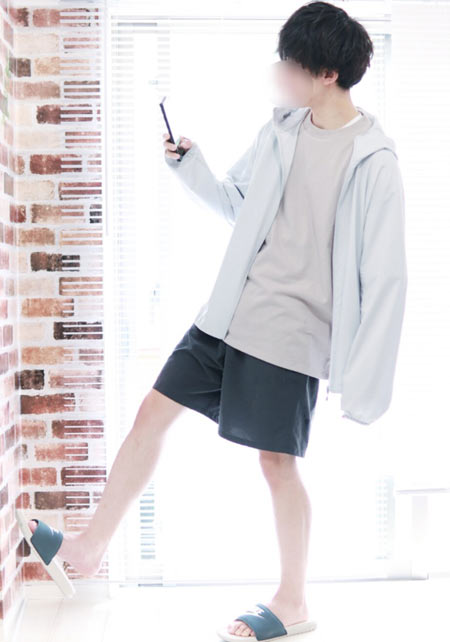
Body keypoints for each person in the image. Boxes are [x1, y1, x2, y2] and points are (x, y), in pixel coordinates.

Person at [25, 2, 408, 640]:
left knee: (276, 464)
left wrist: (365, 380)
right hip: (229, 314)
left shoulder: (374, 161)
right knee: (152, 414)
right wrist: (190, 165)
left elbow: (387, 277)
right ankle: (89, 548)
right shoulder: (281, 130)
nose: (280, 72)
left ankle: (293, 601)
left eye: (291, 63)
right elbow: (237, 203)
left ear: (328, 75)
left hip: (291, 333)